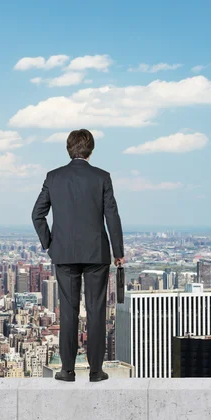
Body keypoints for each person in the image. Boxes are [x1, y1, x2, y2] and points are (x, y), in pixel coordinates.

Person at [31, 129, 124, 382]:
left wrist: (50, 244)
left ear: (68, 149)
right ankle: (96, 371)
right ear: (91, 149)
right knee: (96, 312)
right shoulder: (102, 177)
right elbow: (112, 216)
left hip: (64, 254)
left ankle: (67, 370)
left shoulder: (53, 177)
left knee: (69, 312)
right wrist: (118, 253)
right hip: (97, 254)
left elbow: (36, 215)